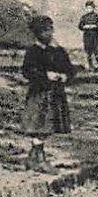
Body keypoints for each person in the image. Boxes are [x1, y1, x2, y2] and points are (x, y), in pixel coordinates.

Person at [20, 15, 74, 174]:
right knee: (39, 125)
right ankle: (40, 159)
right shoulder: (33, 51)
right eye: (44, 31)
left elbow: (69, 69)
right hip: (40, 93)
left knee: (49, 126)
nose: (48, 34)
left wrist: (65, 76)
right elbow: (27, 71)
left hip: (55, 93)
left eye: (50, 30)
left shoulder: (58, 51)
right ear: (37, 33)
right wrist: (45, 75)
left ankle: (33, 157)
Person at [77, 1, 98, 71]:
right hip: (87, 36)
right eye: (87, 8)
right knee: (88, 52)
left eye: (90, 8)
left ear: (93, 8)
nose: (89, 9)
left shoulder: (97, 16)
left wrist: (94, 26)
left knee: (97, 51)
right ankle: (90, 66)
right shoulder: (84, 17)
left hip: (95, 36)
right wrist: (85, 26)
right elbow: (80, 25)